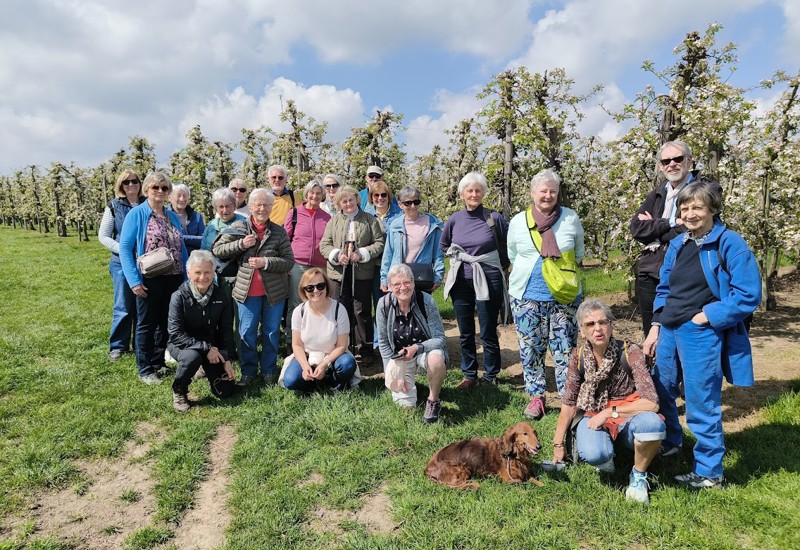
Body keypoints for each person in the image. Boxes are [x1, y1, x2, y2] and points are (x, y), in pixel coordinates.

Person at [643, 181, 760, 489]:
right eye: (684, 208)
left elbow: (748, 294)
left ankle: (709, 471)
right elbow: (664, 288)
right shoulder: (680, 244)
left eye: (697, 207)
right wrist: (656, 325)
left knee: (700, 400)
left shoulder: (730, 243)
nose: (690, 213)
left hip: (699, 331)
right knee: (661, 389)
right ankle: (670, 441)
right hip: (669, 327)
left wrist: (708, 315)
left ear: (712, 209)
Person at [549, 299, 665, 505]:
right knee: (596, 453)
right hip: (593, 411)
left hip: (628, 413)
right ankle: (607, 455)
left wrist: (610, 412)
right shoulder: (578, 357)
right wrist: (558, 444)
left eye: (603, 322)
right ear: (582, 332)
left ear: (611, 325)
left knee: (653, 424)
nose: (598, 329)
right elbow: (569, 403)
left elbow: (651, 403)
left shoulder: (630, 352)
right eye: (590, 324)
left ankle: (638, 475)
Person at [507, 169, 585, 420]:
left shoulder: (570, 218)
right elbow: (512, 254)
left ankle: (567, 398)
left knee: (565, 349)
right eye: (543, 191)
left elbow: (580, 252)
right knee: (531, 349)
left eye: (553, 191)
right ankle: (536, 396)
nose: (548, 195)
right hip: (527, 296)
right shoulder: (519, 221)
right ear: (532, 193)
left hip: (564, 298)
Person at [630, 141, 722, 336]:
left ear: (689, 160)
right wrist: (672, 222)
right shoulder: (657, 193)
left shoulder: (705, 190)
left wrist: (655, 226)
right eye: (666, 161)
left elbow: (691, 230)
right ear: (661, 166)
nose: (672, 164)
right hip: (650, 273)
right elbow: (637, 228)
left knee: (681, 333)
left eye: (677, 159)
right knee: (652, 336)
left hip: (683, 272)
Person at [212, 188, 295, 386]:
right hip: (246, 292)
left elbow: (288, 261)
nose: (262, 208)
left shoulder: (278, 231)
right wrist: (240, 244)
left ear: (271, 207)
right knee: (246, 333)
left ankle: (268, 371)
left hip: (273, 293)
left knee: (271, 333)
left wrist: (266, 262)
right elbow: (218, 250)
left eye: (266, 205)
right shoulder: (239, 227)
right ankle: (248, 373)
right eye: (258, 204)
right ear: (250, 207)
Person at [441, 172, 509, 388]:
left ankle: (490, 375)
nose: (474, 194)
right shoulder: (455, 220)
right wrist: (458, 256)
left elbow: (508, 245)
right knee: (466, 330)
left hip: (488, 279)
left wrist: (501, 265)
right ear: (462, 194)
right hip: (461, 281)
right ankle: (470, 374)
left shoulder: (493, 217)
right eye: (469, 190)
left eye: (478, 190)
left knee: (488, 329)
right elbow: (444, 245)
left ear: (483, 193)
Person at [119, 172, 188, 384]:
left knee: (165, 321)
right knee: (146, 323)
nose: (160, 191)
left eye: (164, 188)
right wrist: (134, 281)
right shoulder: (137, 214)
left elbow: (181, 246)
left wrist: (186, 275)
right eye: (155, 187)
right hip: (149, 278)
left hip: (173, 276)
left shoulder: (172, 215)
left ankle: (158, 361)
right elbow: (125, 248)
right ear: (147, 189)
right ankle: (145, 368)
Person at [319, 185, 385, 362]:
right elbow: (324, 244)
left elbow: (379, 243)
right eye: (344, 201)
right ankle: (343, 348)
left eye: (351, 200)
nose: (348, 204)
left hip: (362, 272)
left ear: (357, 199)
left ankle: (367, 350)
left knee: (361, 310)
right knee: (341, 309)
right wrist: (337, 255)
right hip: (338, 273)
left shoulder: (370, 220)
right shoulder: (333, 221)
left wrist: (362, 254)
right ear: (339, 204)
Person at [376, 264, 448, 423]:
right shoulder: (384, 304)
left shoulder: (426, 300)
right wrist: (392, 372)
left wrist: (417, 347)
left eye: (407, 282)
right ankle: (409, 384)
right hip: (400, 358)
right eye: (397, 284)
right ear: (390, 287)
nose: (403, 288)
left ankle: (433, 400)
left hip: (424, 352)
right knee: (406, 408)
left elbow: (440, 338)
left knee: (436, 360)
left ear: (414, 283)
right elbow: (383, 341)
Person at [167, 250, 236, 412]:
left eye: (207, 272)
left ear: (213, 273)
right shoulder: (178, 297)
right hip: (183, 345)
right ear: (189, 273)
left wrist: (227, 358)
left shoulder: (221, 295)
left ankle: (204, 368)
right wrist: (206, 348)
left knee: (226, 391)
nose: (202, 277)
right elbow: (175, 334)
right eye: (197, 272)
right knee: (193, 357)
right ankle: (179, 390)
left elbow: (226, 330)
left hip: (211, 347)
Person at [281, 268, 357, 392]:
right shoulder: (299, 311)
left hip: (333, 356)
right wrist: (305, 367)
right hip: (308, 355)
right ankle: (312, 384)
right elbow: (297, 344)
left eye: (320, 286)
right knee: (290, 380)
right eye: (310, 288)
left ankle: (336, 385)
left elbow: (342, 346)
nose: (316, 291)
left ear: (327, 287)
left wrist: (324, 364)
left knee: (347, 364)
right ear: (304, 291)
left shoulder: (339, 309)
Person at [98, 169, 143, 361]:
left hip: (144, 262)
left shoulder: (147, 204)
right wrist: (123, 250)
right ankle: (118, 346)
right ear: (121, 186)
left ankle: (139, 344)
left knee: (142, 304)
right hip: (121, 262)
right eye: (127, 182)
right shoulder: (114, 206)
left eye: (135, 181)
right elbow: (103, 236)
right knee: (123, 304)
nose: (131, 185)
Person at [380, 185, 445, 293]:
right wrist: (384, 279)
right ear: (400, 204)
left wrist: (438, 277)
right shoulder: (395, 225)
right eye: (408, 203)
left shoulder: (432, 224)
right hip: (399, 279)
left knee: (421, 309)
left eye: (416, 202)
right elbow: (388, 254)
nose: (413, 206)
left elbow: (438, 254)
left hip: (422, 279)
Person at [285, 179, 331, 319]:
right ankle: (292, 337)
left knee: (319, 300)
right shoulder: (294, 213)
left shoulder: (327, 217)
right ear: (306, 194)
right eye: (312, 192)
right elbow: (286, 239)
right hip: (299, 264)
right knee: (297, 301)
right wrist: (286, 263)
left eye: (318, 193)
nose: (315, 196)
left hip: (320, 266)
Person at [167, 183, 205, 252]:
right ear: (170, 197)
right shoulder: (165, 216)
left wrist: (181, 238)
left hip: (195, 257)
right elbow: (169, 239)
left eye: (185, 196)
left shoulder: (197, 216)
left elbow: (204, 239)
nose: (182, 199)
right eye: (178, 196)